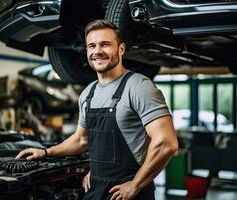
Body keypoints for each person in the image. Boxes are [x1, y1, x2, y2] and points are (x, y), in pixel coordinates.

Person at [16, 19, 178, 200]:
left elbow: (166, 143)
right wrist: (46, 152)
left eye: (105, 45)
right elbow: (80, 139)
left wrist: (134, 185)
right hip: (95, 189)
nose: (97, 51)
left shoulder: (138, 86)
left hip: (128, 193)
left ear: (121, 49)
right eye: (91, 46)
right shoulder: (88, 93)